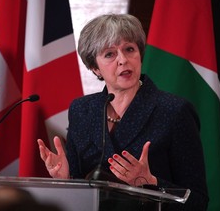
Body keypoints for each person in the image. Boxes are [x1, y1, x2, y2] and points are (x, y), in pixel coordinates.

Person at [37, 14, 208, 210]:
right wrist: (66, 178)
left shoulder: (174, 111)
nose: (123, 60)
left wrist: (149, 181)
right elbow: (81, 188)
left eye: (129, 49)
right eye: (110, 54)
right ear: (95, 68)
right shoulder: (81, 110)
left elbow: (197, 201)